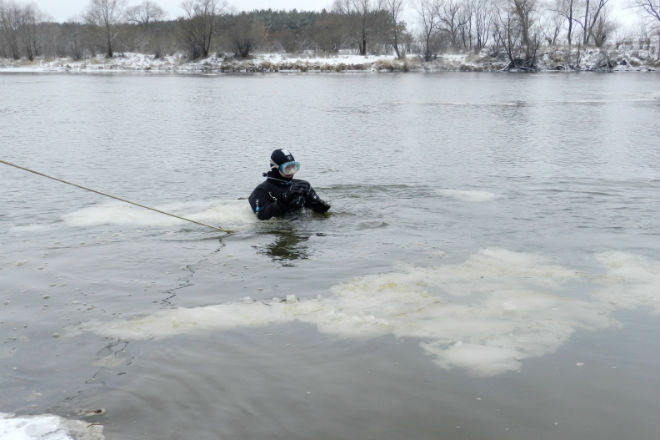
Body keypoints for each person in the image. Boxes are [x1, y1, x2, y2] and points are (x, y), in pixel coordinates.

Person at [248, 149, 330, 220]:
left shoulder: (302, 185)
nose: (291, 172)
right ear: (275, 168)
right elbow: (261, 216)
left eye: (294, 167)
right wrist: (283, 200)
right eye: (287, 168)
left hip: (302, 225)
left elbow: (319, 212)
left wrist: (318, 204)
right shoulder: (261, 190)